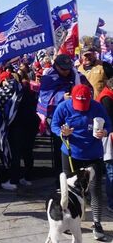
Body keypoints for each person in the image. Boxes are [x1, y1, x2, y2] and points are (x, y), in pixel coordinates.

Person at [52, 84, 110, 241]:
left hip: (93, 154)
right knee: (70, 190)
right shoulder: (64, 107)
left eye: (85, 105)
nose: (82, 109)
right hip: (71, 153)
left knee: (94, 189)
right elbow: (54, 125)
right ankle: (72, 221)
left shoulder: (97, 107)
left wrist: (105, 132)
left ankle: (97, 223)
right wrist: (62, 132)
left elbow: (109, 125)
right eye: (79, 105)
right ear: (72, 98)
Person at [38, 54, 88, 177]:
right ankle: (61, 178)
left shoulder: (76, 75)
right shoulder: (48, 78)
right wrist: (62, 98)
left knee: (78, 145)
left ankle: (79, 176)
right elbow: (44, 98)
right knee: (61, 148)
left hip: (76, 117)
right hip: (57, 118)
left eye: (68, 68)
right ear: (56, 66)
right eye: (63, 69)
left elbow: (87, 88)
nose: (66, 71)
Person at [98, 78, 113, 213]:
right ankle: (111, 203)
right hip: (109, 139)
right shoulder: (106, 98)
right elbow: (109, 120)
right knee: (111, 171)